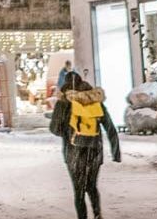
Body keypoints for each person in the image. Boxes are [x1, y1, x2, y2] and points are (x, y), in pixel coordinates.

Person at [49, 71, 120, 219]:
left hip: (73, 151)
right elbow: (110, 128)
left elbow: (54, 128)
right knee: (91, 186)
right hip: (94, 150)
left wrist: (68, 132)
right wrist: (116, 152)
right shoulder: (95, 101)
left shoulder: (64, 102)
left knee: (79, 190)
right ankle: (97, 214)